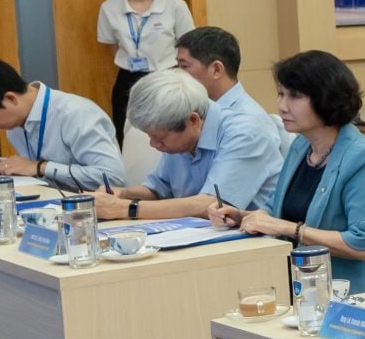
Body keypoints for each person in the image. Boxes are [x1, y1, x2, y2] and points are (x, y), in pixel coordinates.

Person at [209, 50, 365, 292]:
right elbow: (276, 210)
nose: (282, 106)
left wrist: (289, 229)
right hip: (302, 282)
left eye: (294, 96)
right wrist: (242, 216)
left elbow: (364, 245)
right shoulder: (301, 146)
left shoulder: (361, 159)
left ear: (325, 98)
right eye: (280, 94)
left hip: (351, 290)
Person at [94, 25, 284, 219]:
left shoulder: (246, 128)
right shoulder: (183, 121)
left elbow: (212, 205)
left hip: (249, 233)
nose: (154, 145)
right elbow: (159, 189)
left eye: (160, 138)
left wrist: (124, 208)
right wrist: (122, 194)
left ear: (194, 121)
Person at [0, 58, 124, 190]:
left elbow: (113, 178)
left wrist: (40, 167)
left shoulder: (76, 114)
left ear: (10, 98)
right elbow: (31, 168)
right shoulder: (15, 123)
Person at [96, 0, 195, 133]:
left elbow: (188, 47)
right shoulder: (109, 7)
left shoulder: (175, 5)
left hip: (167, 78)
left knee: (169, 134)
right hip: (128, 80)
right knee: (127, 135)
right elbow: (112, 46)